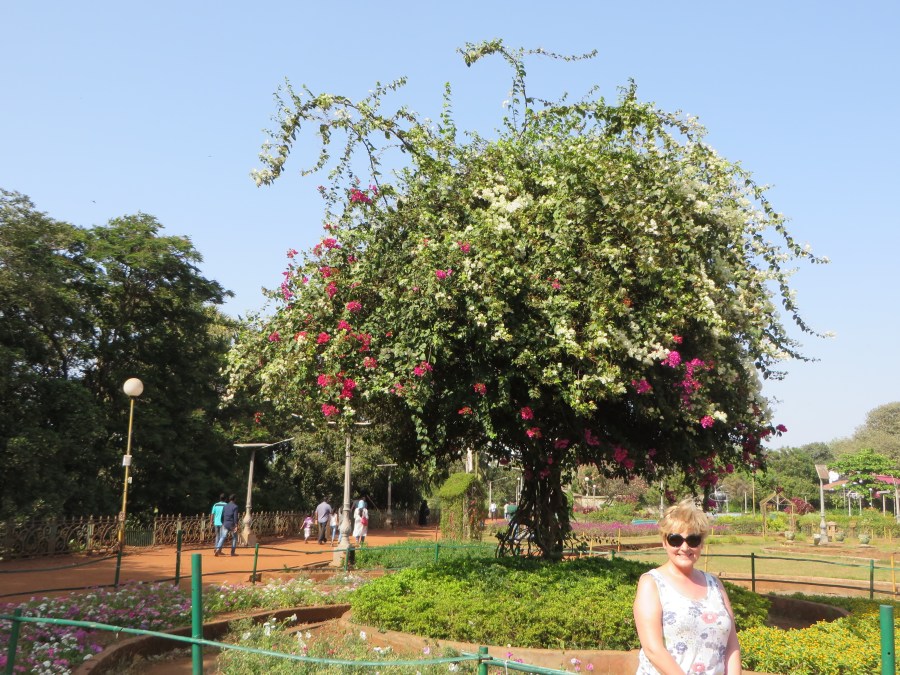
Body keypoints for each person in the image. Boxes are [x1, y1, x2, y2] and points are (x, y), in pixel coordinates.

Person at [633, 498, 741, 674]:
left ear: (701, 544)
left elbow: (731, 644)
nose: (684, 547)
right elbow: (653, 649)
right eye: (675, 539)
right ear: (664, 542)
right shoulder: (652, 584)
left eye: (693, 540)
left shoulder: (715, 585)